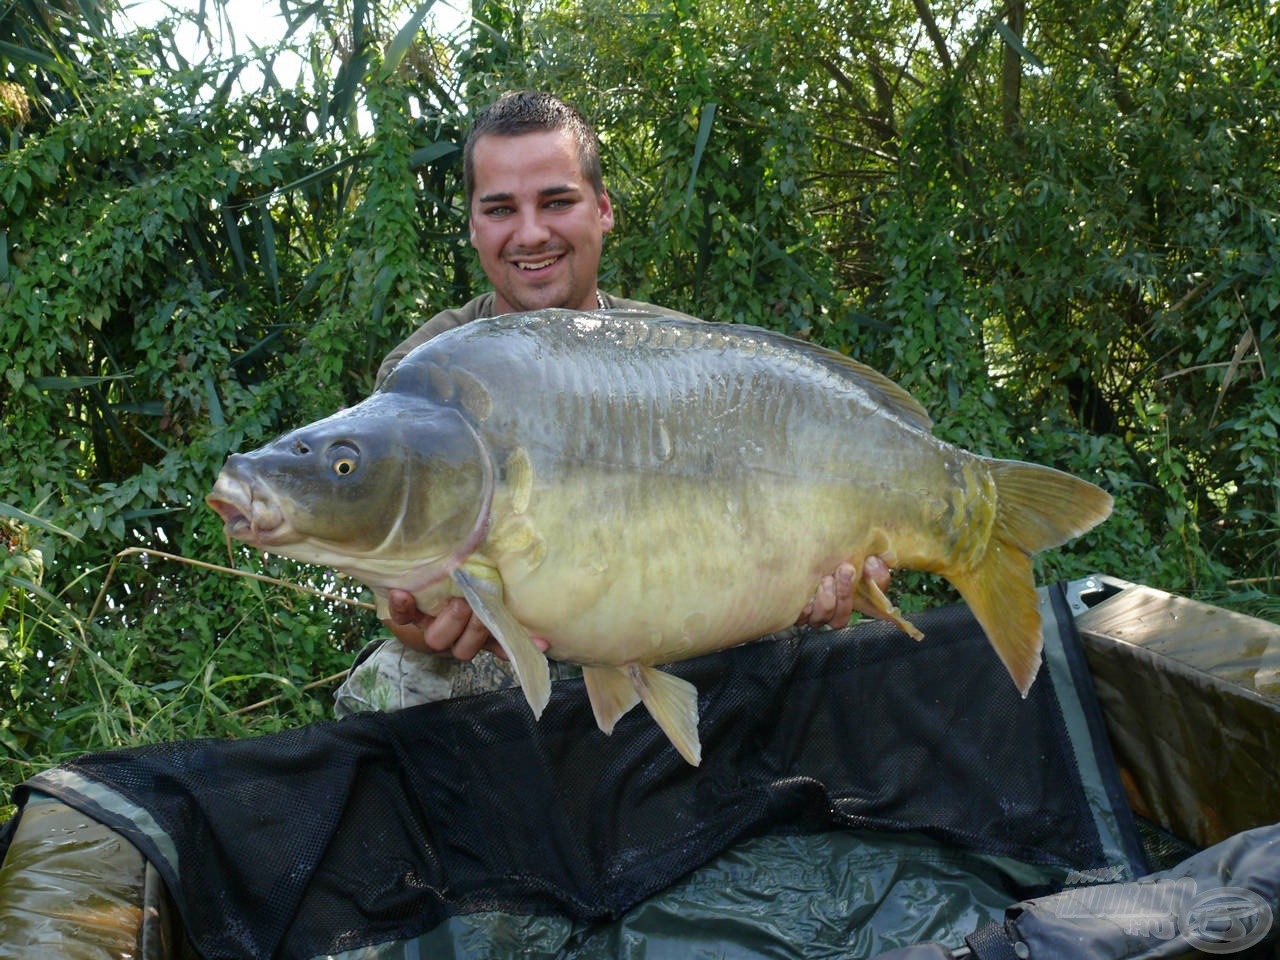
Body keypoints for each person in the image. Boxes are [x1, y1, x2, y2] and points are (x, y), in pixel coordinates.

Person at [337, 92, 891, 710]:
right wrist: (427, 625)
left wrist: (812, 585)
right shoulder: (428, 370)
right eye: (500, 209)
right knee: (394, 684)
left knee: (804, 660)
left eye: (557, 201)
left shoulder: (683, 357)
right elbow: (402, 594)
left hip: (668, 621)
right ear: (473, 224)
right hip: (516, 648)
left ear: (602, 209)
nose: (530, 233)